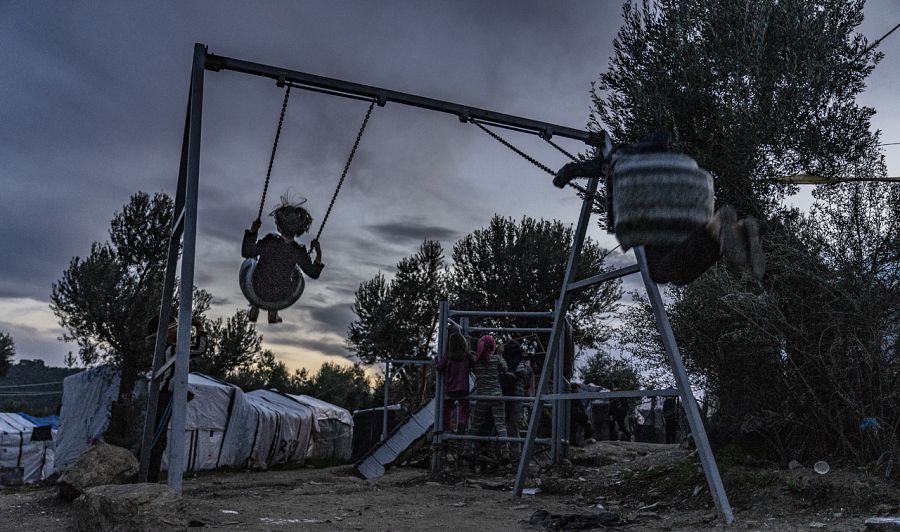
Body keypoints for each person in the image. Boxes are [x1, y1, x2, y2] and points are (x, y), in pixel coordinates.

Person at [553, 133, 765, 285]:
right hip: (686, 210)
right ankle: (720, 228)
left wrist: (562, 176)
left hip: (652, 217)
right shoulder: (662, 160)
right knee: (682, 274)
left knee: (659, 273)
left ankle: (717, 225)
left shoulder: (619, 160)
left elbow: (583, 168)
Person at [144, 313, 208, 483]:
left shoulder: (164, 350)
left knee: (157, 437)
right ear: (165, 331)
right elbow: (200, 349)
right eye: (174, 325)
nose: (178, 328)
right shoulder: (172, 349)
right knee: (158, 438)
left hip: (164, 394)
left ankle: (147, 476)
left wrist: (181, 390)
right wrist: (199, 327)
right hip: (164, 396)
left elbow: (170, 375)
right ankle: (149, 479)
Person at [242, 194, 324, 324]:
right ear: (299, 230)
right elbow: (314, 273)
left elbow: (247, 252)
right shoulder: (299, 251)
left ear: (279, 227)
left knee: (251, 262)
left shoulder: (270, 241)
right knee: (294, 273)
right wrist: (318, 252)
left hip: (258, 289)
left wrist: (253, 231)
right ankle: (273, 311)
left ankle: (254, 305)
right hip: (282, 295)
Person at [465, 335, 510, 464]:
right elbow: (505, 369)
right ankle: (505, 451)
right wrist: (500, 353)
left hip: (482, 396)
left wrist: (468, 343)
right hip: (497, 395)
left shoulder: (475, 360)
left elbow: (469, 355)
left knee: (476, 424)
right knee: (500, 424)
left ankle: (467, 449)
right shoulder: (497, 359)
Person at [434, 330, 475, 433]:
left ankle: (447, 428)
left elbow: (439, 367)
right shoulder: (467, 357)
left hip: (450, 388)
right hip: (463, 388)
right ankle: (461, 423)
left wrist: (436, 360)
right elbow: (472, 366)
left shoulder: (448, 357)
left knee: (446, 409)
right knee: (465, 408)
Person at [500, 340, 533, 459]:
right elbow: (523, 372)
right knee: (513, 425)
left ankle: (506, 454)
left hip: (504, 394)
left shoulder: (503, 360)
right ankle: (515, 455)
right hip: (517, 395)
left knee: (503, 424)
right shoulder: (521, 362)